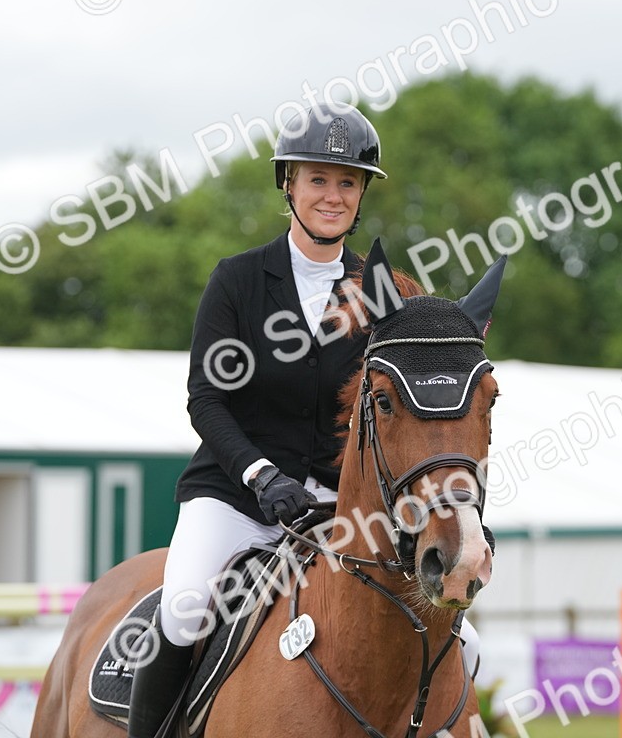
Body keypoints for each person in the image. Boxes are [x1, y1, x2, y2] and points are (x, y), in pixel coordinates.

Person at [126, 102, 480, 738]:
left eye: (347, 182)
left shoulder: (380, 296)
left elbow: (404, 407)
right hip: (234, 497)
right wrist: (261, 475)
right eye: (318, 179)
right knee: (182, 610)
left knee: (466, 641)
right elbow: (206, 399)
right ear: (288, 184)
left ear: (362, 194)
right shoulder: (237, 281)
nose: (333, 195)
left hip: (338, 509)